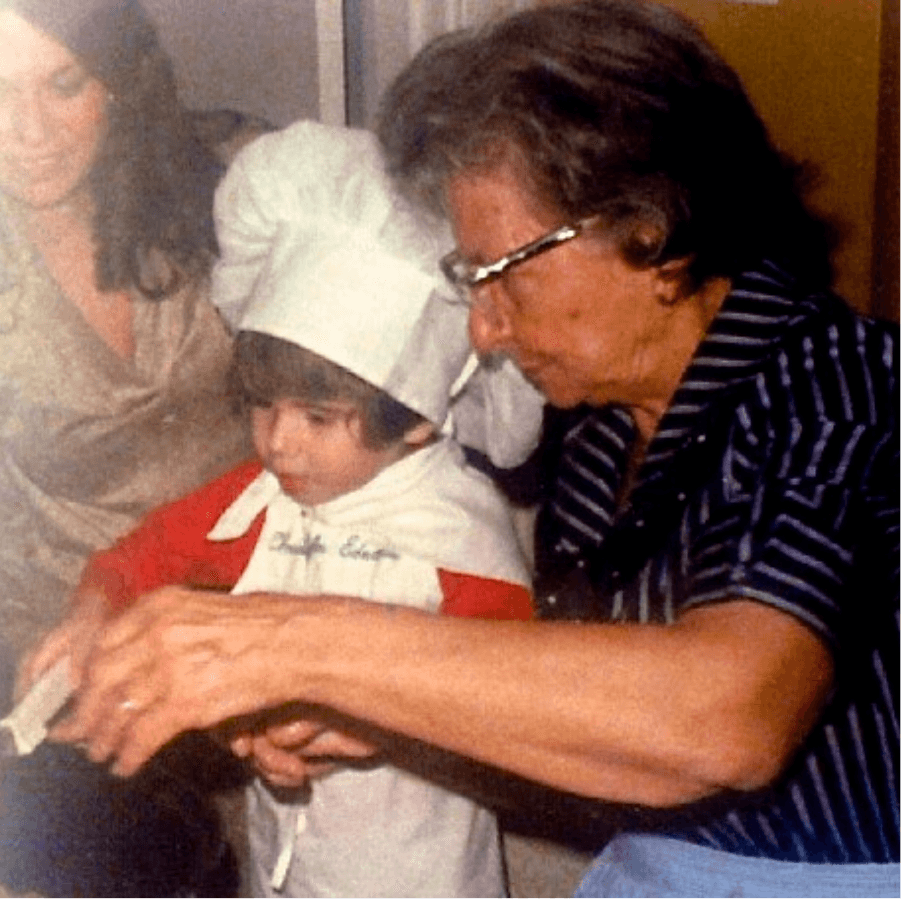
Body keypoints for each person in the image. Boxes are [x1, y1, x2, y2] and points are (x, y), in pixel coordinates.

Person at [45, 2, 899, 897]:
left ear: (644, 226)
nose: (484, 332)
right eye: (468, 282)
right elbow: (588, 710)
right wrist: (385, 712)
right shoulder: (606, 423)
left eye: (500, 275)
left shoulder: (840, 386)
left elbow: (728, 716)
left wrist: (293, 644)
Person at [55, 119, 533, 898]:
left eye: (317, 417)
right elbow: (140, 559)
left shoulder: (459, 531)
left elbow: (514, 706)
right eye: (262, 404)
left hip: (417, 875)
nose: (278, 442)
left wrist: (378, 719)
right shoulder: (259, 496)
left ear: (413, 415)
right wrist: (96, 608)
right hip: (291, 866)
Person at [0, 0, 256, 894]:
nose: (25, 133)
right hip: (69, 629)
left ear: (119, 78)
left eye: (62, 84)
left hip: (268, 570)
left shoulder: (234, 183)